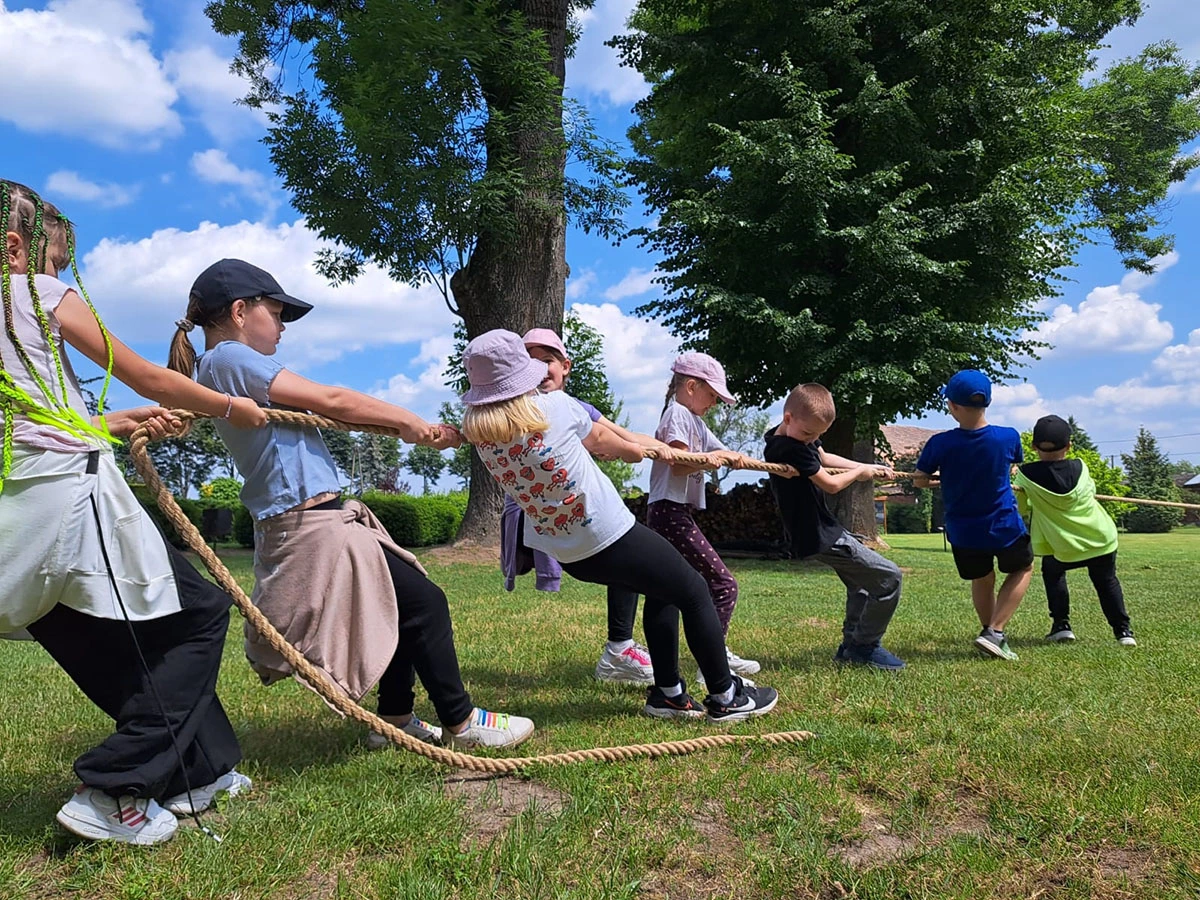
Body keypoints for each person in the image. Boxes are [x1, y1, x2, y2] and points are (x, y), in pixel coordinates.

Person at [168, 259, 534, 750]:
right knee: (426, 603)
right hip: (310, 521)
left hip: (316, 516)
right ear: (239, 311)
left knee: (403, 604)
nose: (280, 327)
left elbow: (328, 409)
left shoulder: (219, 366)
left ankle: (395, 718)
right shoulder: (229, 359)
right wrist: (407, 420)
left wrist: (412, 431)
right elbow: (331, 399)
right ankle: (462, 723)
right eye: (275, 314)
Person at [0, 180, 265, 845]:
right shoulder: (35, 293)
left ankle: (195, 772)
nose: (61, 275)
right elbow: (146, 372)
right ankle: (114, 788)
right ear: (15, 248)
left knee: (117, 642)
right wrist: (232, 408)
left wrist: (111, 422)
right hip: (69, 498)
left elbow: (34, 417)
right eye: (55, 259)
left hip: (17, 511)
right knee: (198, 617)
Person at [460, 329, 779, 722]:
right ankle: (726, 695)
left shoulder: (480, 433)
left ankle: (668, 694)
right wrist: (646, 450)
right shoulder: (556, 407)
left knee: (663, 588)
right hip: (608, 534)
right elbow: (619, 448)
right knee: (695, 590)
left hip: (568, 552)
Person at [505, 327, 674, 686]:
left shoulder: (575, 407)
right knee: (642, 560)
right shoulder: (513, 409)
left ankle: (619, 648)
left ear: (565, 366)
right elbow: (612, 445)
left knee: (631, 556)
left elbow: (625, 438)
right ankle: (621, 650)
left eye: (546, 361)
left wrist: (679, 452)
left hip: (578, 516)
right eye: (530, 362)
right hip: (548, 521)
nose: (538, 369)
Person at [762, 383, 906, 670]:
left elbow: (825, 458)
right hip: (820, 534)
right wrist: (860, 472)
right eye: (809, 434)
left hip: (823, 529)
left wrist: (868, 467)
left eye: (818, 435)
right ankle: (864, 647)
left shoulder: (795, 436)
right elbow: (831, 482)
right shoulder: (790, 448)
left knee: (861, 584)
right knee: (890, 578)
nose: (812, 440)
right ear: (788, 418)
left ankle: (851, 648)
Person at [648, 352, 758, 679]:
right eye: (712, 395)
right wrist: (710, 460)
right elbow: (679, 463)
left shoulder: (695, 420)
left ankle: (699, 658)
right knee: (723, 583)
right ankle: (714, 659)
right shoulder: (677, 414)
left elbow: (721, 451)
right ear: (692, 386)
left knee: (666, 593)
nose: (714, 403)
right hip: (668, 511)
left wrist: (734, 458)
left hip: (676, 512)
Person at [914, 370, 1032, 661]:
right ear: (987, 403)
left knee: (982, 578)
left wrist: (943, 477)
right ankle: (995, 632)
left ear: (951, 406)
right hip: (1004, 525)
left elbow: (918, 480)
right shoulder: (1008, 437)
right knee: (1023, 568)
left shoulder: (940, 444)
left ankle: (989, 632)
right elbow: (1014, 465)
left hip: (964, 531)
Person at [1014, 415, 1136, 646]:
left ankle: (1061, 625)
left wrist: (1032, 499)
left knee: (1053, 572)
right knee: (1106, 581)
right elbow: (1089, 491)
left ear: (1033, 446)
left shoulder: (1025, 475)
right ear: (1069, 446)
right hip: (1100, 538)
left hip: (1061, 545)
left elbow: (1020, 508)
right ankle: (1124, 632)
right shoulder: (1081, 466)